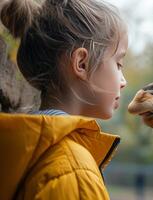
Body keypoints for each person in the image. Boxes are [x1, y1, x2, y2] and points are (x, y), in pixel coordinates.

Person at [0, 0, 127, 199]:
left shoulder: (23, 150)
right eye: (118, 64)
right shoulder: (74, 170)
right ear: (82, 63)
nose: (123, 81)